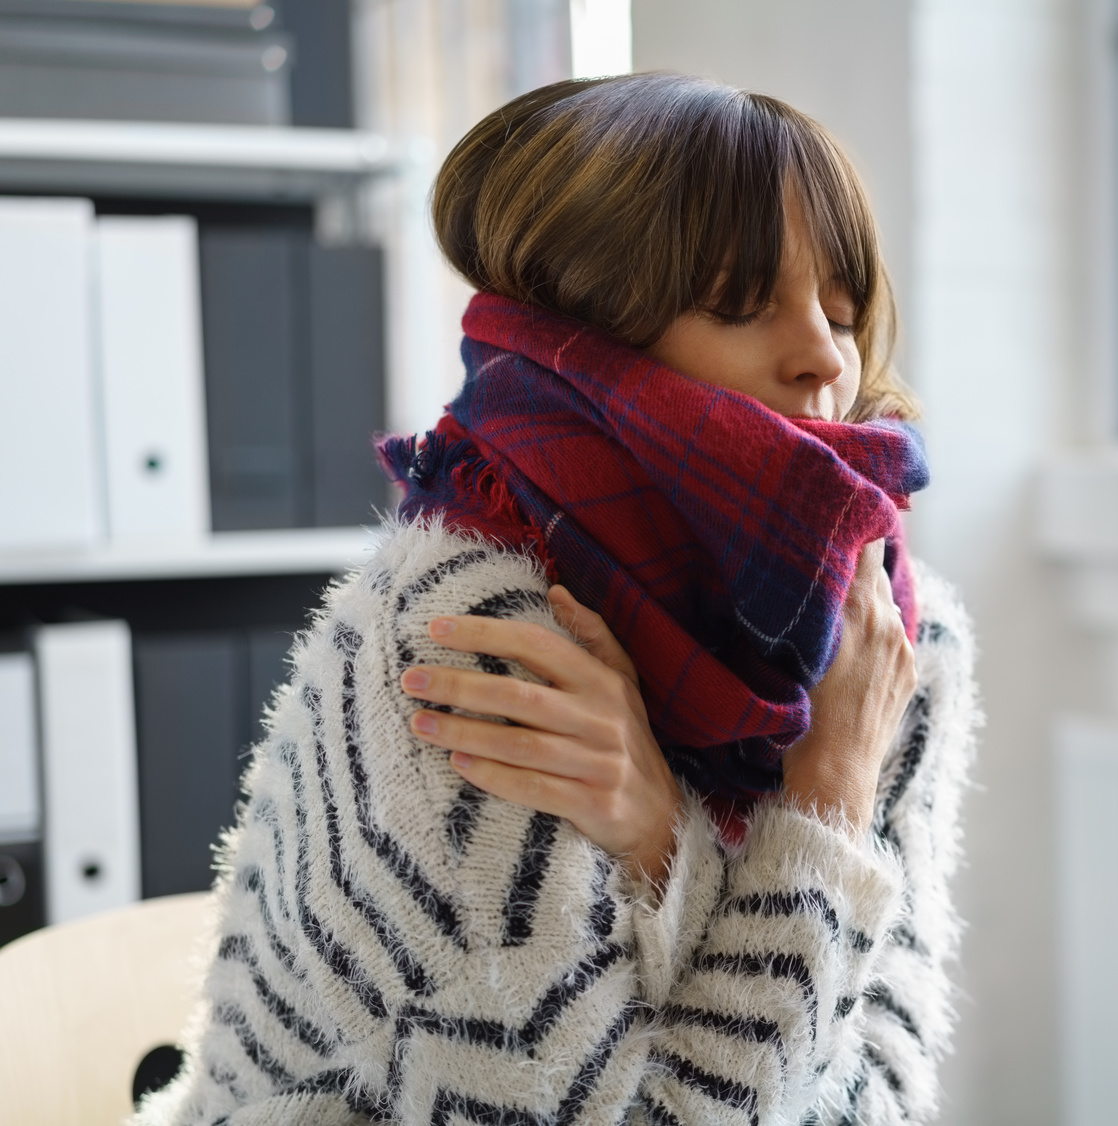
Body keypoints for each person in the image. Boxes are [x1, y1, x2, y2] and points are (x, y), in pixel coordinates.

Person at [136, 73, 978, 1126]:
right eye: (735, 304)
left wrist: (682, 833)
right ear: (590, 339)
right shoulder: (473, 634)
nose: (824, 356)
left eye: (843, 310)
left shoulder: (887, 638)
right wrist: (818, 834)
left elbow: (883, 1098)